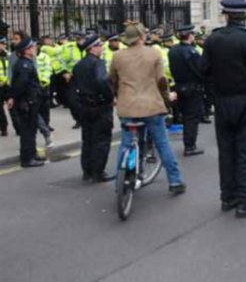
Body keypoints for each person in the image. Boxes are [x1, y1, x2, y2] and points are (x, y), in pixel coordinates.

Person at [202, 0, 246, 218]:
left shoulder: (212, 39)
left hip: (222, 101)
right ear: (244, 17)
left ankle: (228, 196)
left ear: (226, 16)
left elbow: (204, 70)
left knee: (227, 150)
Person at [110, 21, 186, 195]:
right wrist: (168, 98)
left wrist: (117, 96)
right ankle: (175, 181)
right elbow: (161, 81)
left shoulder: (117, 56)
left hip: (128, 107)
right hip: (152, 107)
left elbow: (112, 80)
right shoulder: (154, 54)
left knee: (126, 144)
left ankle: (119, 185)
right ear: (142, 36)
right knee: (162, 144)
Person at [72, 36, 114, 183]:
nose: (102, 48)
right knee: (101, 139)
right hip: (100, 106)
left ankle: (87, 171)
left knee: (87, 138)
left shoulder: (79, 65)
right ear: (93, 48)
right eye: (100, 45)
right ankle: (98, 171)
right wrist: (110, 96)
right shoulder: (98, 63)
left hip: (84, 106)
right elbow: (102, 81)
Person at [7, 37, 44, 168]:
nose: (35, 48)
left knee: (31, 129)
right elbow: (20, 85)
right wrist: (13, 97)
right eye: (32, 47)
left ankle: (32, 155)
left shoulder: (26, 63)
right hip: (27, 102)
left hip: (30, 100)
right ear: (26, 50)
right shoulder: (24, 65)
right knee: (28, 131)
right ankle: (27, 158)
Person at [168, 25, 205, 157]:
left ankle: (188, 143)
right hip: (192, 87)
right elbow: (200, 70)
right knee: (191, 118)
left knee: (184, 116)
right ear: (190, 35)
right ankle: (190, 146)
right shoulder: (192, 51)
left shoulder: (173, 50)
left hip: (178, 86)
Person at [61, 31, 87, 129]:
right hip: (72, 77)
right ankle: (78, 119)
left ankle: (85, 120)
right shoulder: (70, 48)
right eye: (78, 39)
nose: (80, 41)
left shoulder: (89, 48)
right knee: (72, 101)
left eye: (81, 38)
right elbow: (62, 60)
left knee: (86, 100)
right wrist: (64, 72)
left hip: (85, 78)